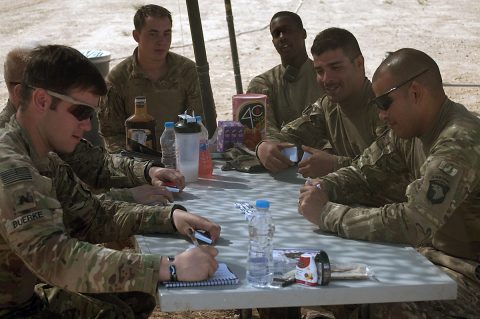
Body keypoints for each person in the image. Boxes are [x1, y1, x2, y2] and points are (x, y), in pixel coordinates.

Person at [0, 44, 220, 318]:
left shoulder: (42, 156)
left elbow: (92, 216)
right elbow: (53, 257)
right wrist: (170, 267)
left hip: (24, 296)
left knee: (135, 295)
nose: (88, 126)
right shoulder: (10, 167)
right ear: (42, 101)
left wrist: (170, 217)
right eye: (80, 112)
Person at [299, 48, 480, 318]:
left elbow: (413, 221)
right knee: (336, 279)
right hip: (429, 257)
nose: (381, 115)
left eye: (384, 103)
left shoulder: (458, 141)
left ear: (415, 93)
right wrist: (323, 187)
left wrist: (327, 214)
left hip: (468, 272)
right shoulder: (409, 131)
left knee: (386, 304)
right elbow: (364, 170)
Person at [0, 46, 185, 205]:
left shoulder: (48, 127)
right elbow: (63, 213)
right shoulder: (9, 150)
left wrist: (149, 171)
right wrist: (127, 196)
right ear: (20, 92)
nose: (87, 125)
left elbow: (96, 163)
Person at [256, 28, 387, 178]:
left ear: (359, 63)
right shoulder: (328, 107)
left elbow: (392, 174)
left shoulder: (385, 109)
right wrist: (264, 147)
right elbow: (290, 136)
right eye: (319, 71)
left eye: (336, 68)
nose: (327, 79)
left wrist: (334, 165)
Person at [99, 4, 208, 152]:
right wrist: (141, 167)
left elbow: (201, 122)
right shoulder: (118, 79)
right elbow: (111, 136)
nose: (161, 41)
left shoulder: (187, 71)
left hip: (180, 155)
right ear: (136, 36)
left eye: (166, 33)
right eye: (153, 33)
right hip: (137, 164)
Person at [246, 11, 324, 137]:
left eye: (287, 31)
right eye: (276, 34)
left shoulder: (326, 76)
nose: (282, 37)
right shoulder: (262, 84)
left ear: (303, 33)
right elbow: (262, 133)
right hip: (280, 153)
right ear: (273, 42)